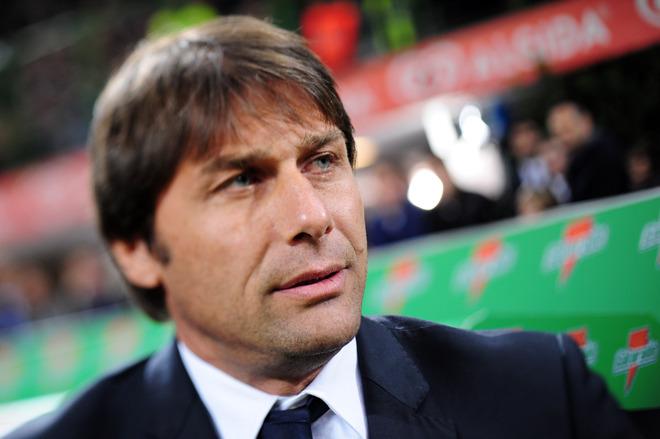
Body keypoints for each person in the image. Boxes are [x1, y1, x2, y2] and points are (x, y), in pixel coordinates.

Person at [7, 16, 644, 439]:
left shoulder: (539, 393)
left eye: (322, 162)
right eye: (242, 180)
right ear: (136, 248)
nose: (312, 217)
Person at [546, 101, 629, 202]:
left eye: (567, 130)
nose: (563, 139)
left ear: (585, 122)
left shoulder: (603, 152)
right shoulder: (576, 156)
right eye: (558, 134)